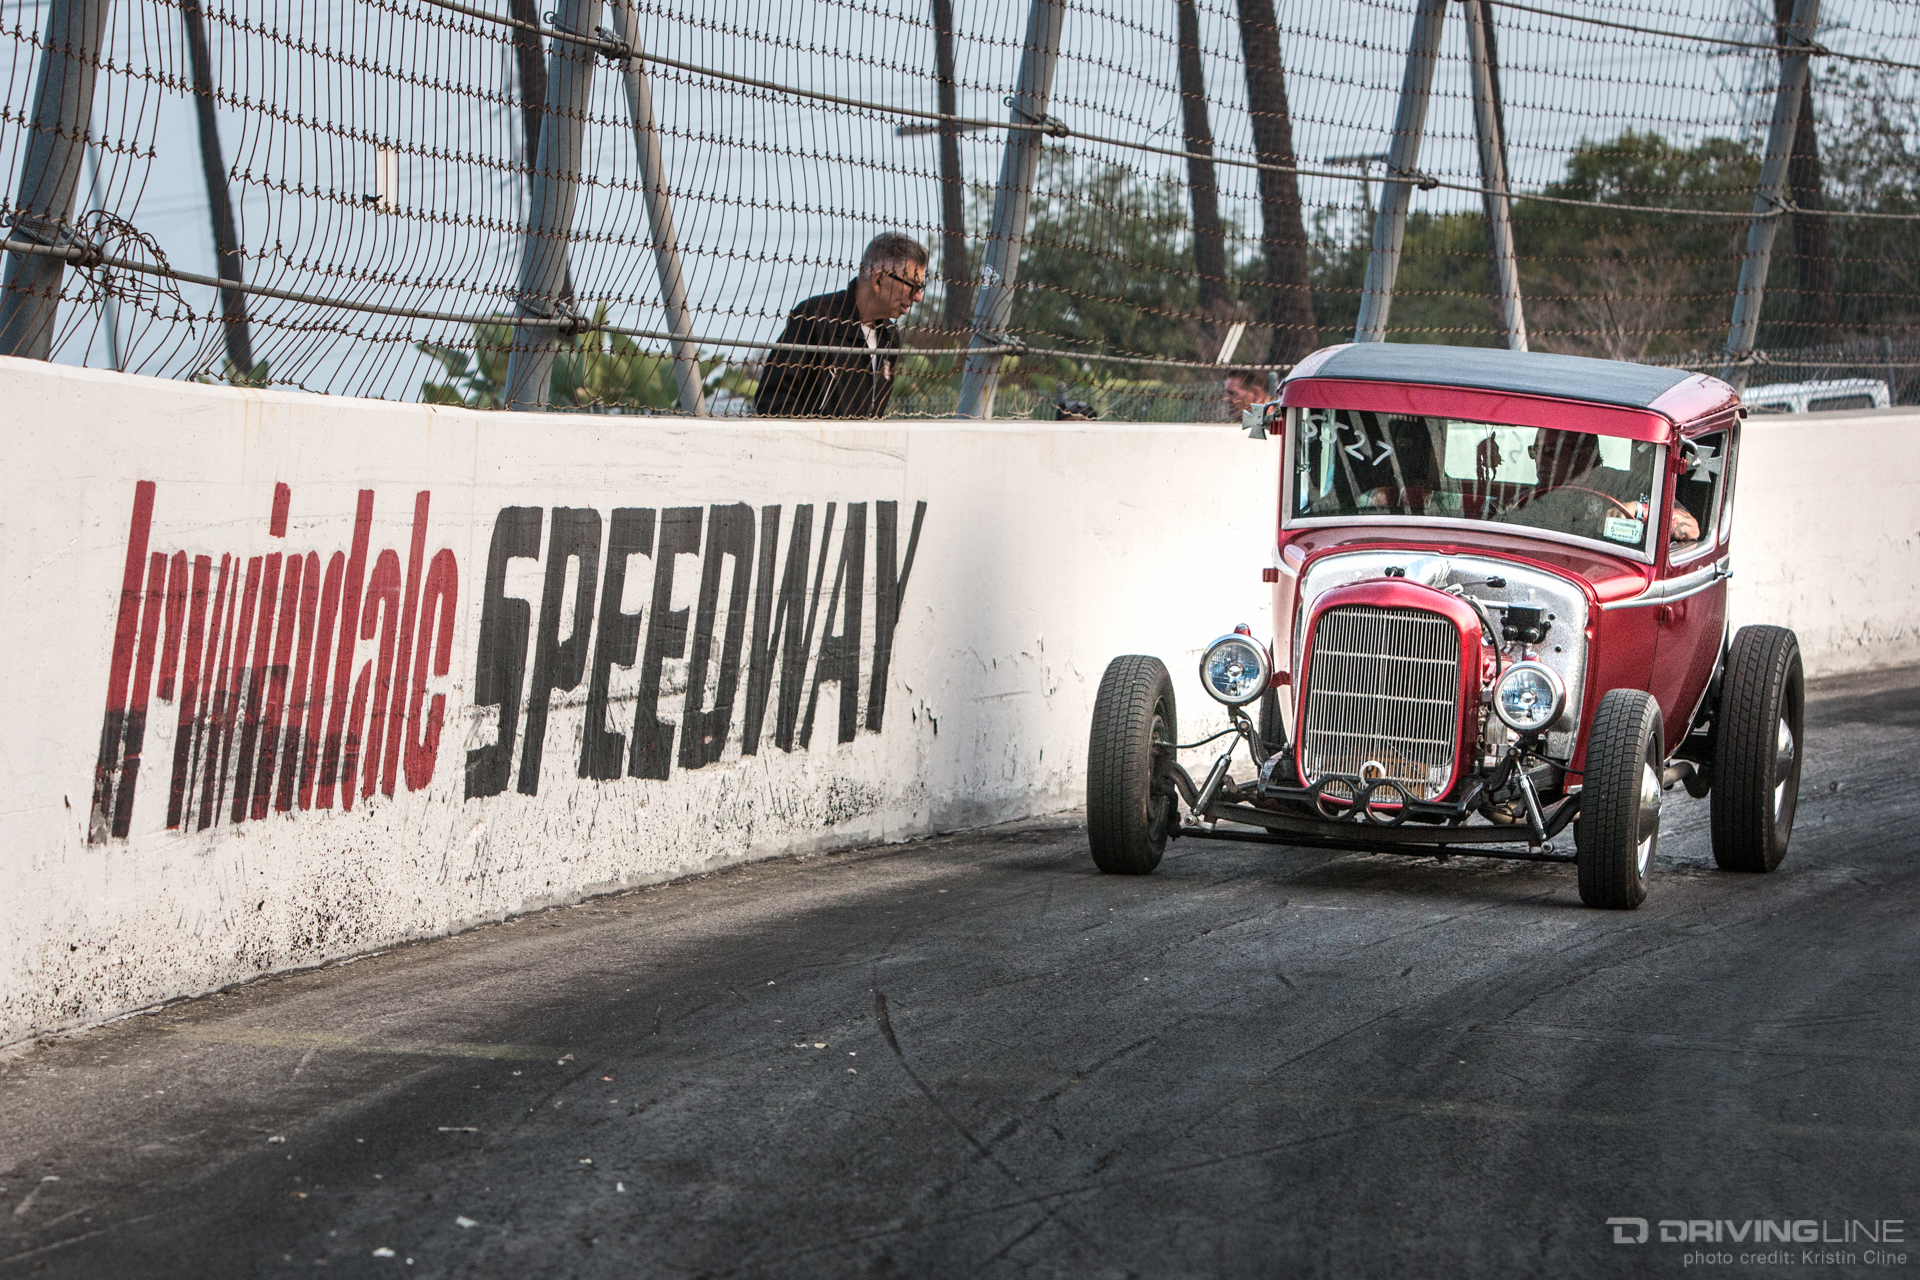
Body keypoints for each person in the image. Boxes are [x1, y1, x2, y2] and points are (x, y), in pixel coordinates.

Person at [753, 233, 927, 419]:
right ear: (878, 281)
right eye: (912, 286)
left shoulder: (889, 337)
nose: (917, 297)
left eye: (920, 288)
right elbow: (772, 399)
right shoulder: (816, 317)